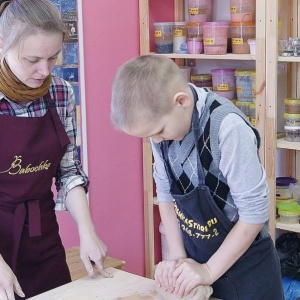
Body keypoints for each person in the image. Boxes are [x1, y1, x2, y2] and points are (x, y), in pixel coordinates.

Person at [111, 55, 284, 300]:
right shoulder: (161, 127)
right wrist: (178, 259)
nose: (157, 140)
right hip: (197, 264)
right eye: (150, 135)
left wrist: (209, 270)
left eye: (159, 132)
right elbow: (166, 194)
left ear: (181, 101)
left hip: (248, 270)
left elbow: (254, 214)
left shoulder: (227, 128)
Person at [0, 1, 110, 299]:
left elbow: (68, 171)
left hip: (41, 238)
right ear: (1, 45)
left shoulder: (60, 92)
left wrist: (87, 232)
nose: (44, 70)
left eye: (52, 58)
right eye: (32, 59)